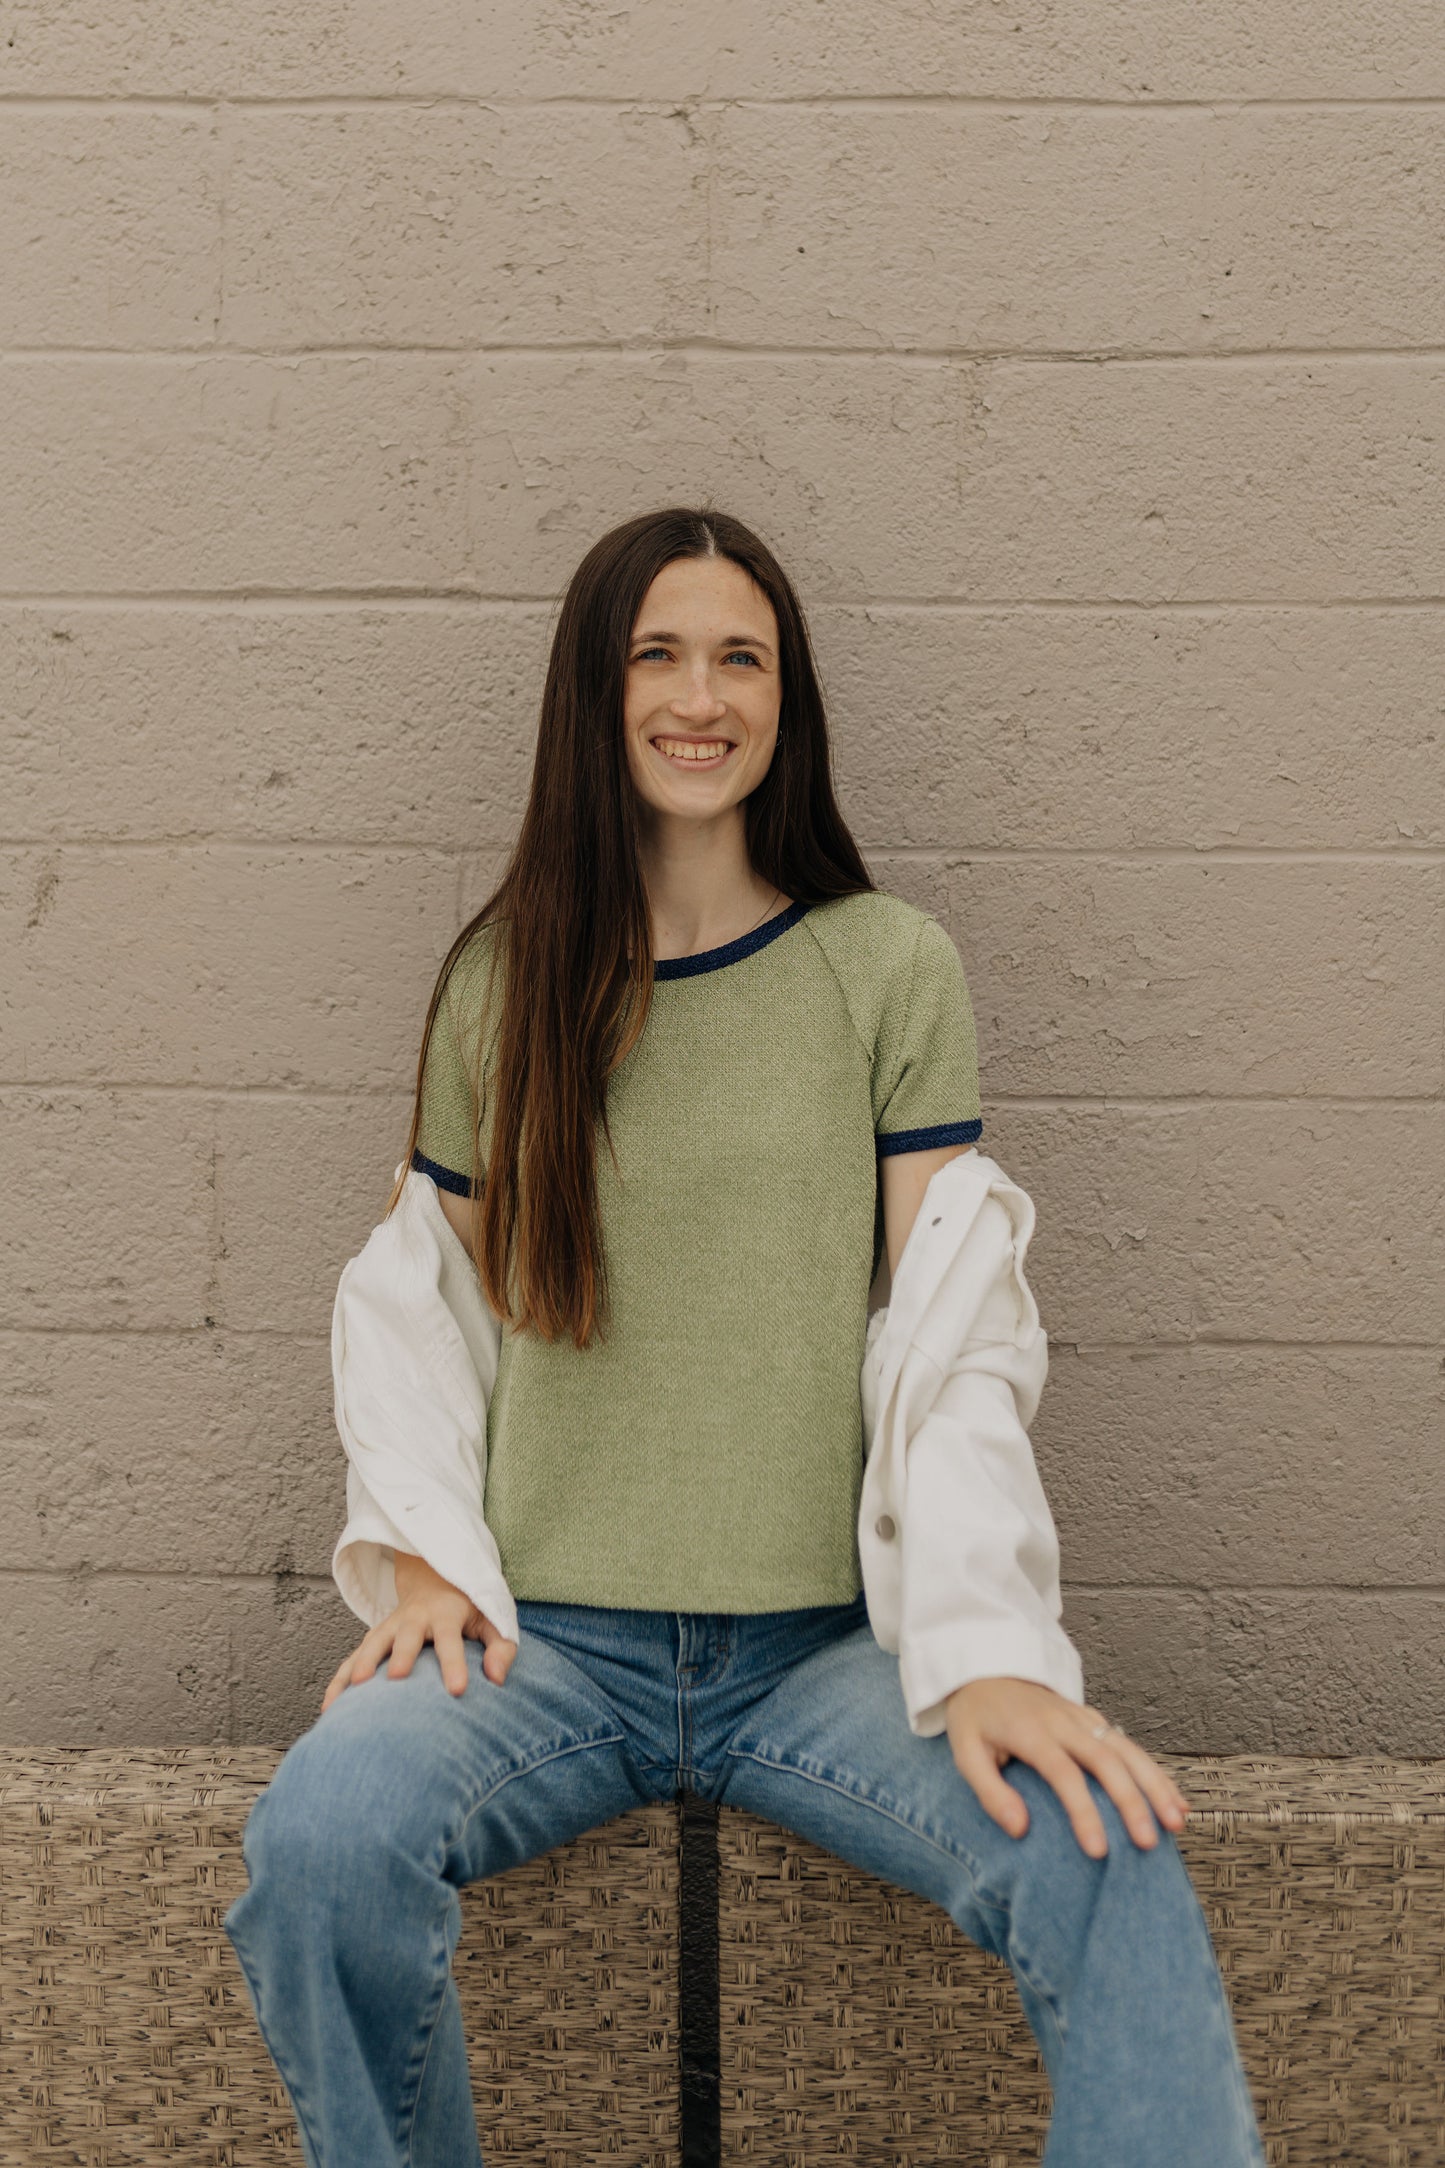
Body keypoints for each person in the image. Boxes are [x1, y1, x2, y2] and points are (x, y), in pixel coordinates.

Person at [223, 505, 1267, 2167]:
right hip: (546, 1658)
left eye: (739, 657)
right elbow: (418, 1297)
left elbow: (954, 1334)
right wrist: (423, 1563)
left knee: (1100, 1840)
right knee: (323, 1839)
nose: (698, 694)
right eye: (656, 652)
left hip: (821, 1659)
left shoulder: (886, 968)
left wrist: (990, 1646)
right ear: (595, 689)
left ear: (785, 699)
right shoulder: (505, 984)